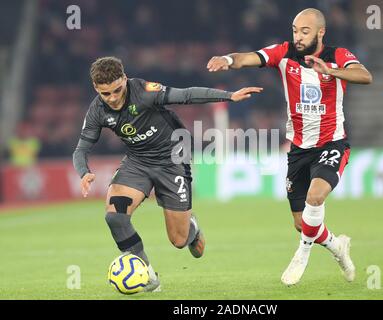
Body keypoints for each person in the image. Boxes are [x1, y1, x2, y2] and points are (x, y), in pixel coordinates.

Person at [207, 8, 372, 286]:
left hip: (331, 142)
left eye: (305, 32)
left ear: (321, 32)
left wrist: (330, 70)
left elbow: (365, 76)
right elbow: (249, 58)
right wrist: (226, 59)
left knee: (315, 197)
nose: (298, 36)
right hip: (298, 149)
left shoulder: (338, 56)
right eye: (295, 30)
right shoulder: (284, 54)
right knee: (302, 223)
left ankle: (302, 253)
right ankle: (337, 247)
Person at [73, 56, 262, 292]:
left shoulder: (144, 91)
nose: (112, 98)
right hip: (137, 162)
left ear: (124, 78)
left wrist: (229, 96)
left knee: (179, 241)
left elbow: (186, 95)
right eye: (105, 94)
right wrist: (84, 172)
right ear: (96, 88)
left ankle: (191, 228)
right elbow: (81, 149)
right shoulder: (96, 110)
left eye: (116, 90)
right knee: (115, 216)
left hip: (172, 159)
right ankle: (149, 276)